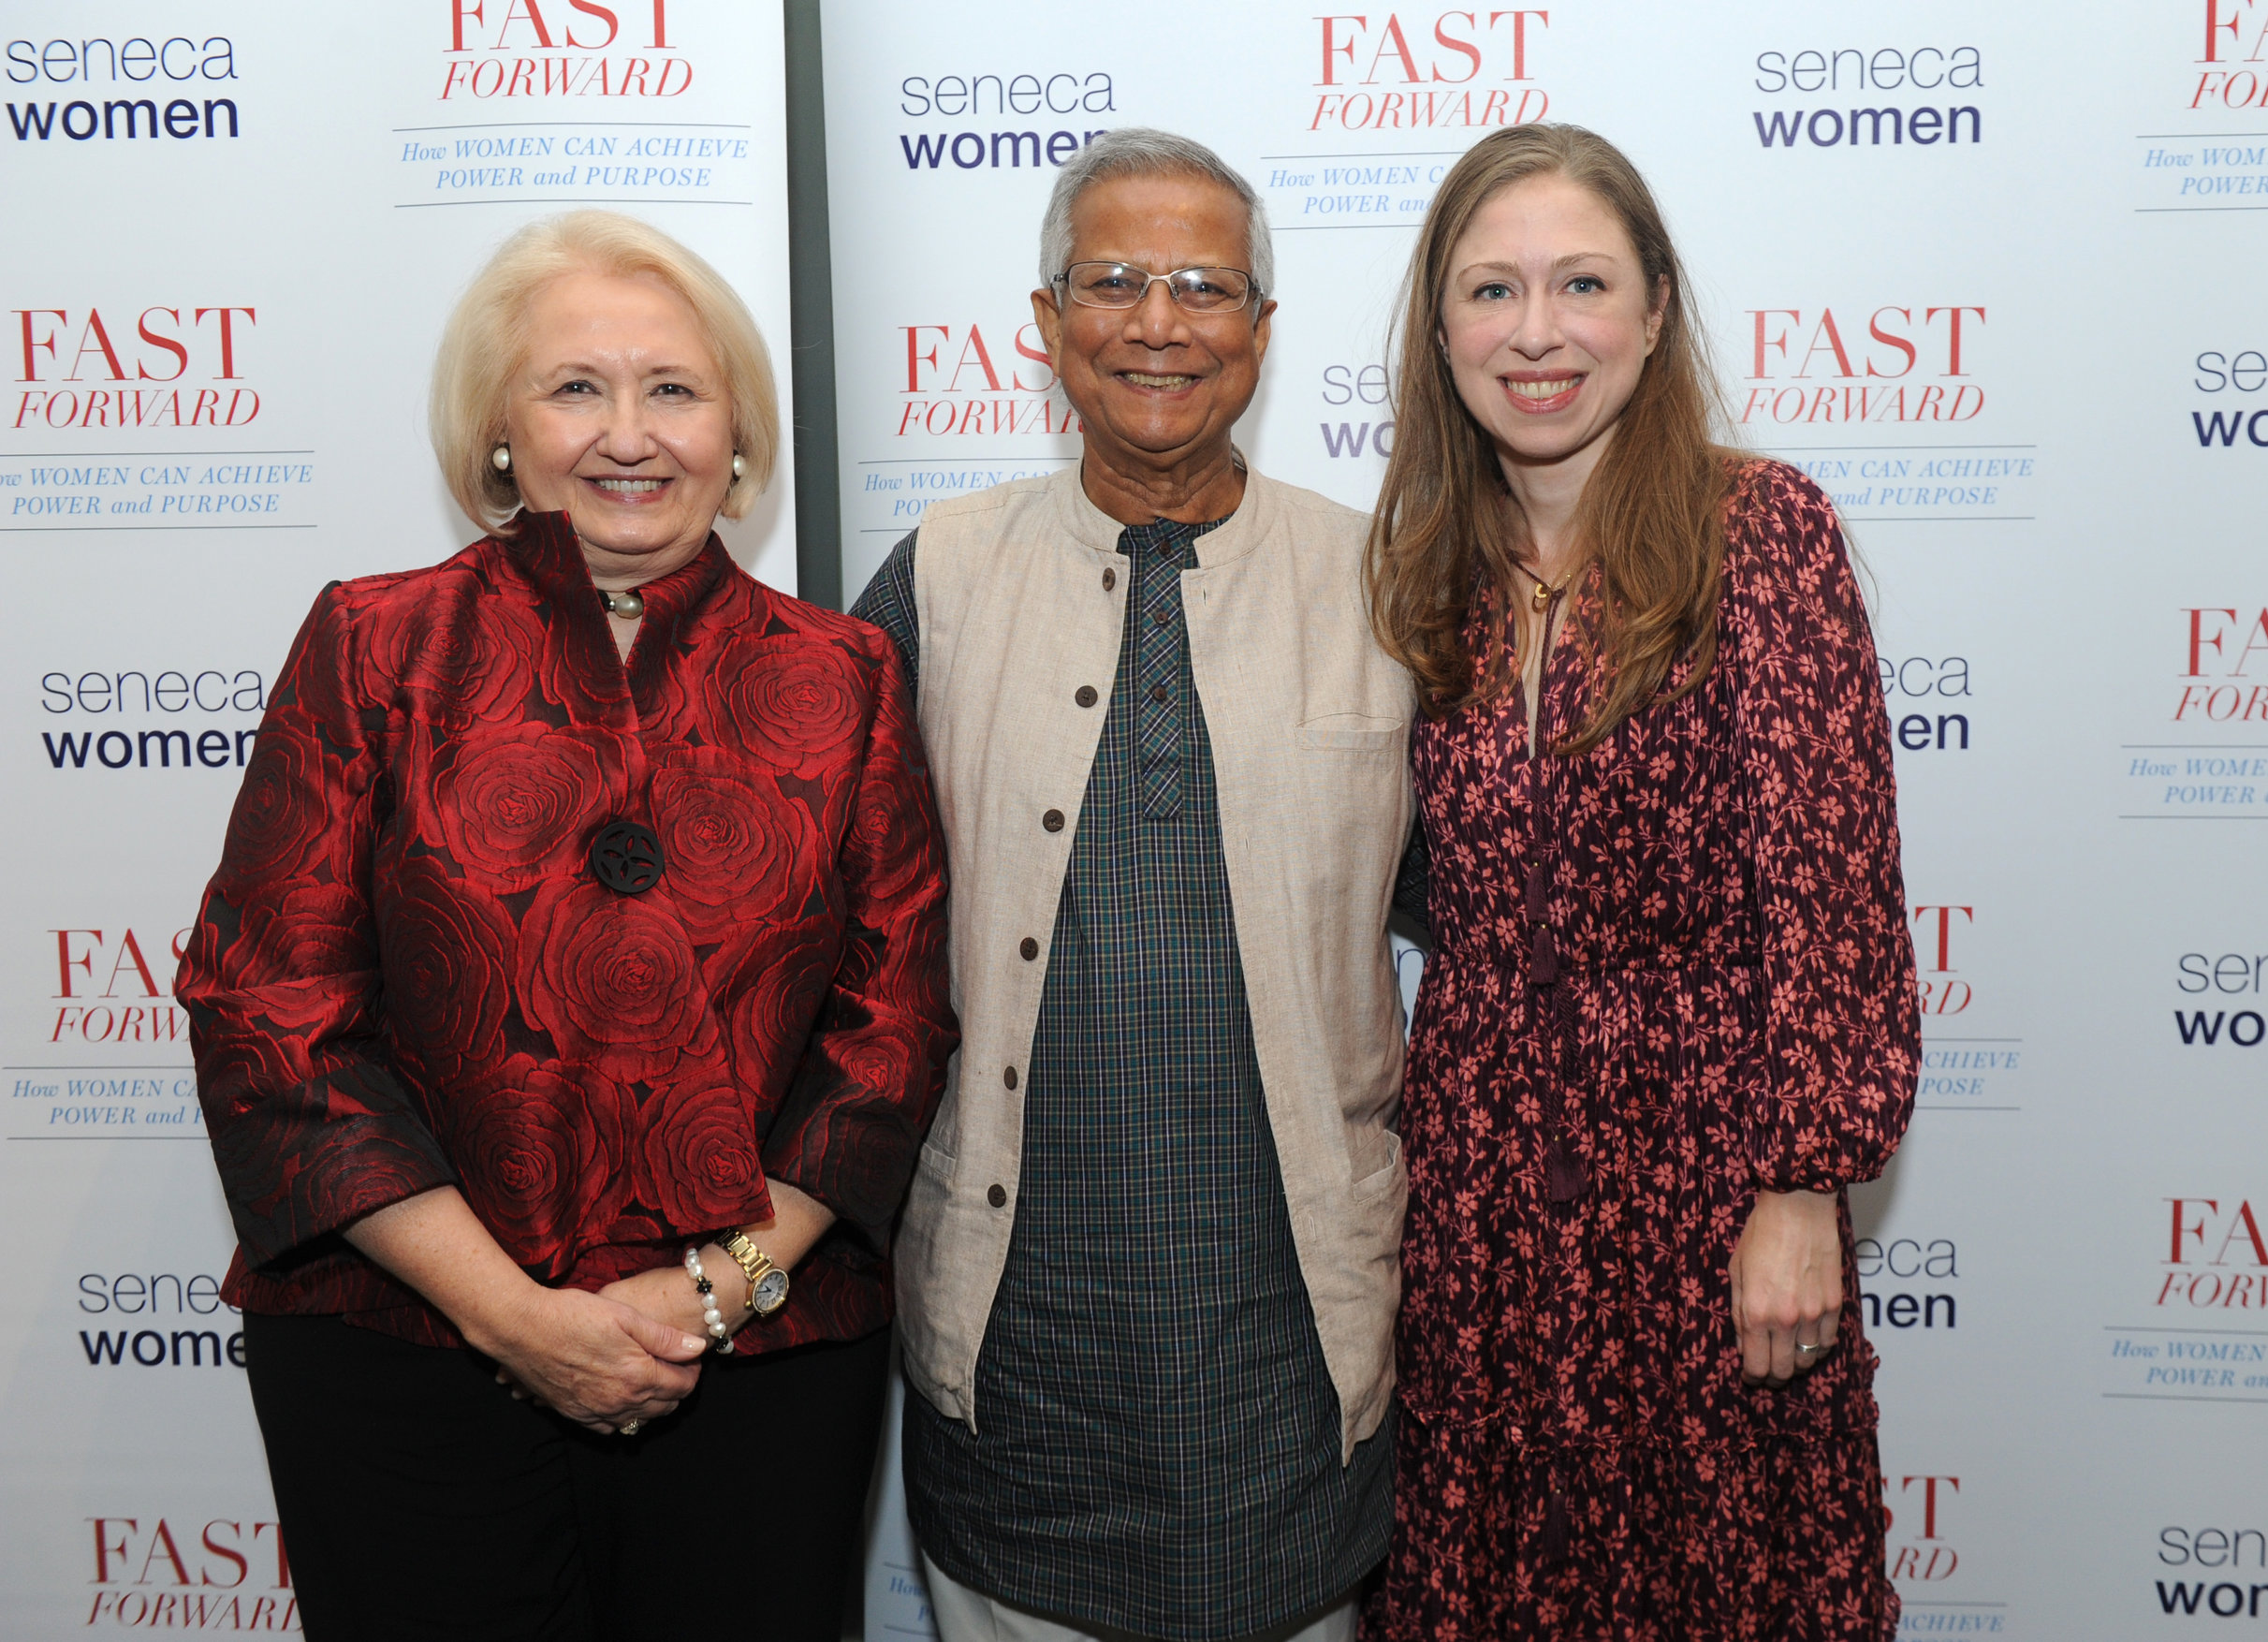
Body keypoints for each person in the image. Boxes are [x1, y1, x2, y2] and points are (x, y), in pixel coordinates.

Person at [175, 209, 957, 1641]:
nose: (629, 433)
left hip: (759, 1364)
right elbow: (267, 1010)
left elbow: (891, 1028)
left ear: (736, 433)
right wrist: (516, 1316)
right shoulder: (373, 645)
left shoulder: (844, 674)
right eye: (574, 386)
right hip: (406, 1356)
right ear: (497, 436)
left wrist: (710, 1296)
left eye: (673, 387)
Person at [851, 129, 1415, 1642]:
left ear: (1264, 333)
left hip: (1286, 1332)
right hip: (1020, 1328)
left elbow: (1507, 929)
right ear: (1042, 323)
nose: (1155, 323)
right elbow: (817, 916)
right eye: (1111, 281)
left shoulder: (1384, 589)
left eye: (1201, 287)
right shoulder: (940, 577)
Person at [1359, 125, 1921, 1639]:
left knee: (1722, 1582)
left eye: (1581, 283)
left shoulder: (1761, 531)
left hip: (1706, 1188)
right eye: (1490, 291)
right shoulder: (1422, 574)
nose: (1536, 333)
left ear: (1657, 307)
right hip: (1475, 1207)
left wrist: (1805, 1182)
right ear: (1441, 327)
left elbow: (1831, 887)